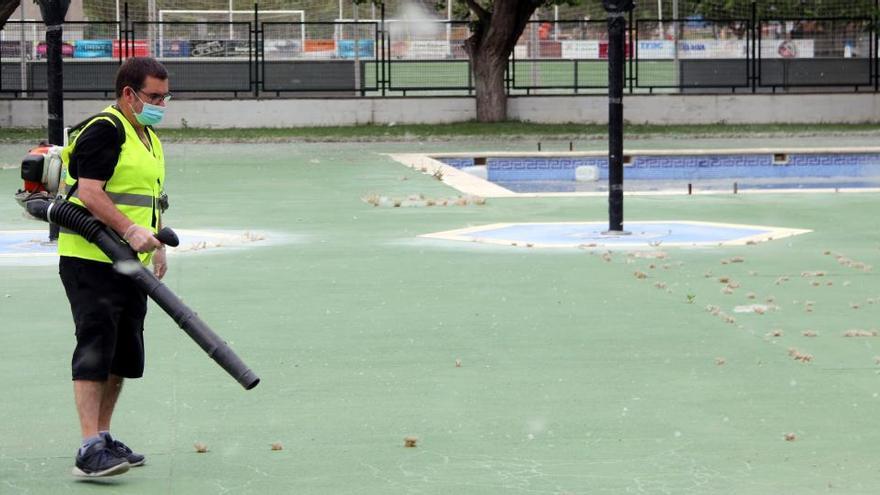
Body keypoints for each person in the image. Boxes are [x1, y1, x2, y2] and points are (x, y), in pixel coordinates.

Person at [57, 56, 170, 477]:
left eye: (165, 96)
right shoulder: (105, 129)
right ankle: (88, 447)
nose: (161, 103)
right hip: (91, 258)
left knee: (123, 352)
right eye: (154, 96)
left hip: (131, 261)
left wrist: (156, 242)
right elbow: (89, 192)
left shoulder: (148, 135)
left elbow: (148, 196)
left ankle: (103, 437)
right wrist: (128, 229)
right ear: (128, 93)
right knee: (96, 344)